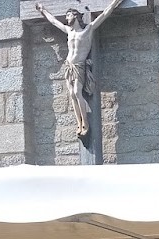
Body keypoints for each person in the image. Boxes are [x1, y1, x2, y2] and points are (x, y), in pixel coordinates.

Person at [35, 1, 125, 137]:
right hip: (68, 65)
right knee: (71, 94)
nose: (67, 18)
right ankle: (79, 122)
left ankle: (85, 123)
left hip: (79, 65)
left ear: (76, 16)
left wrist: (115, 2)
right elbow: (53, 21)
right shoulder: (68, 31)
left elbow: (105, 14)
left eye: (69, 15)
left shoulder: (88, 29)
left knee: (77, 92)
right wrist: (42, 10)